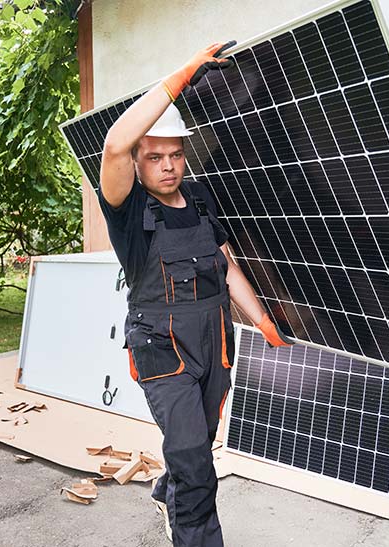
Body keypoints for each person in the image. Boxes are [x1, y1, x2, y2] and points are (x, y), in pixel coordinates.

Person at [98, 41, 292, 547]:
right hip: (162, 347)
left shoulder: (202, 198)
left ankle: (171, 489)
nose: (167, 165)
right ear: (140, 162)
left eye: (176, 154)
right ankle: (195, 533)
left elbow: (224, 268)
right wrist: (180, 76)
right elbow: (115, 146)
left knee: (197, 443)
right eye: (155, 156)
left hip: (214, 340)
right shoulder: (127, 211)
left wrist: (264, 322)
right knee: (196, 462)